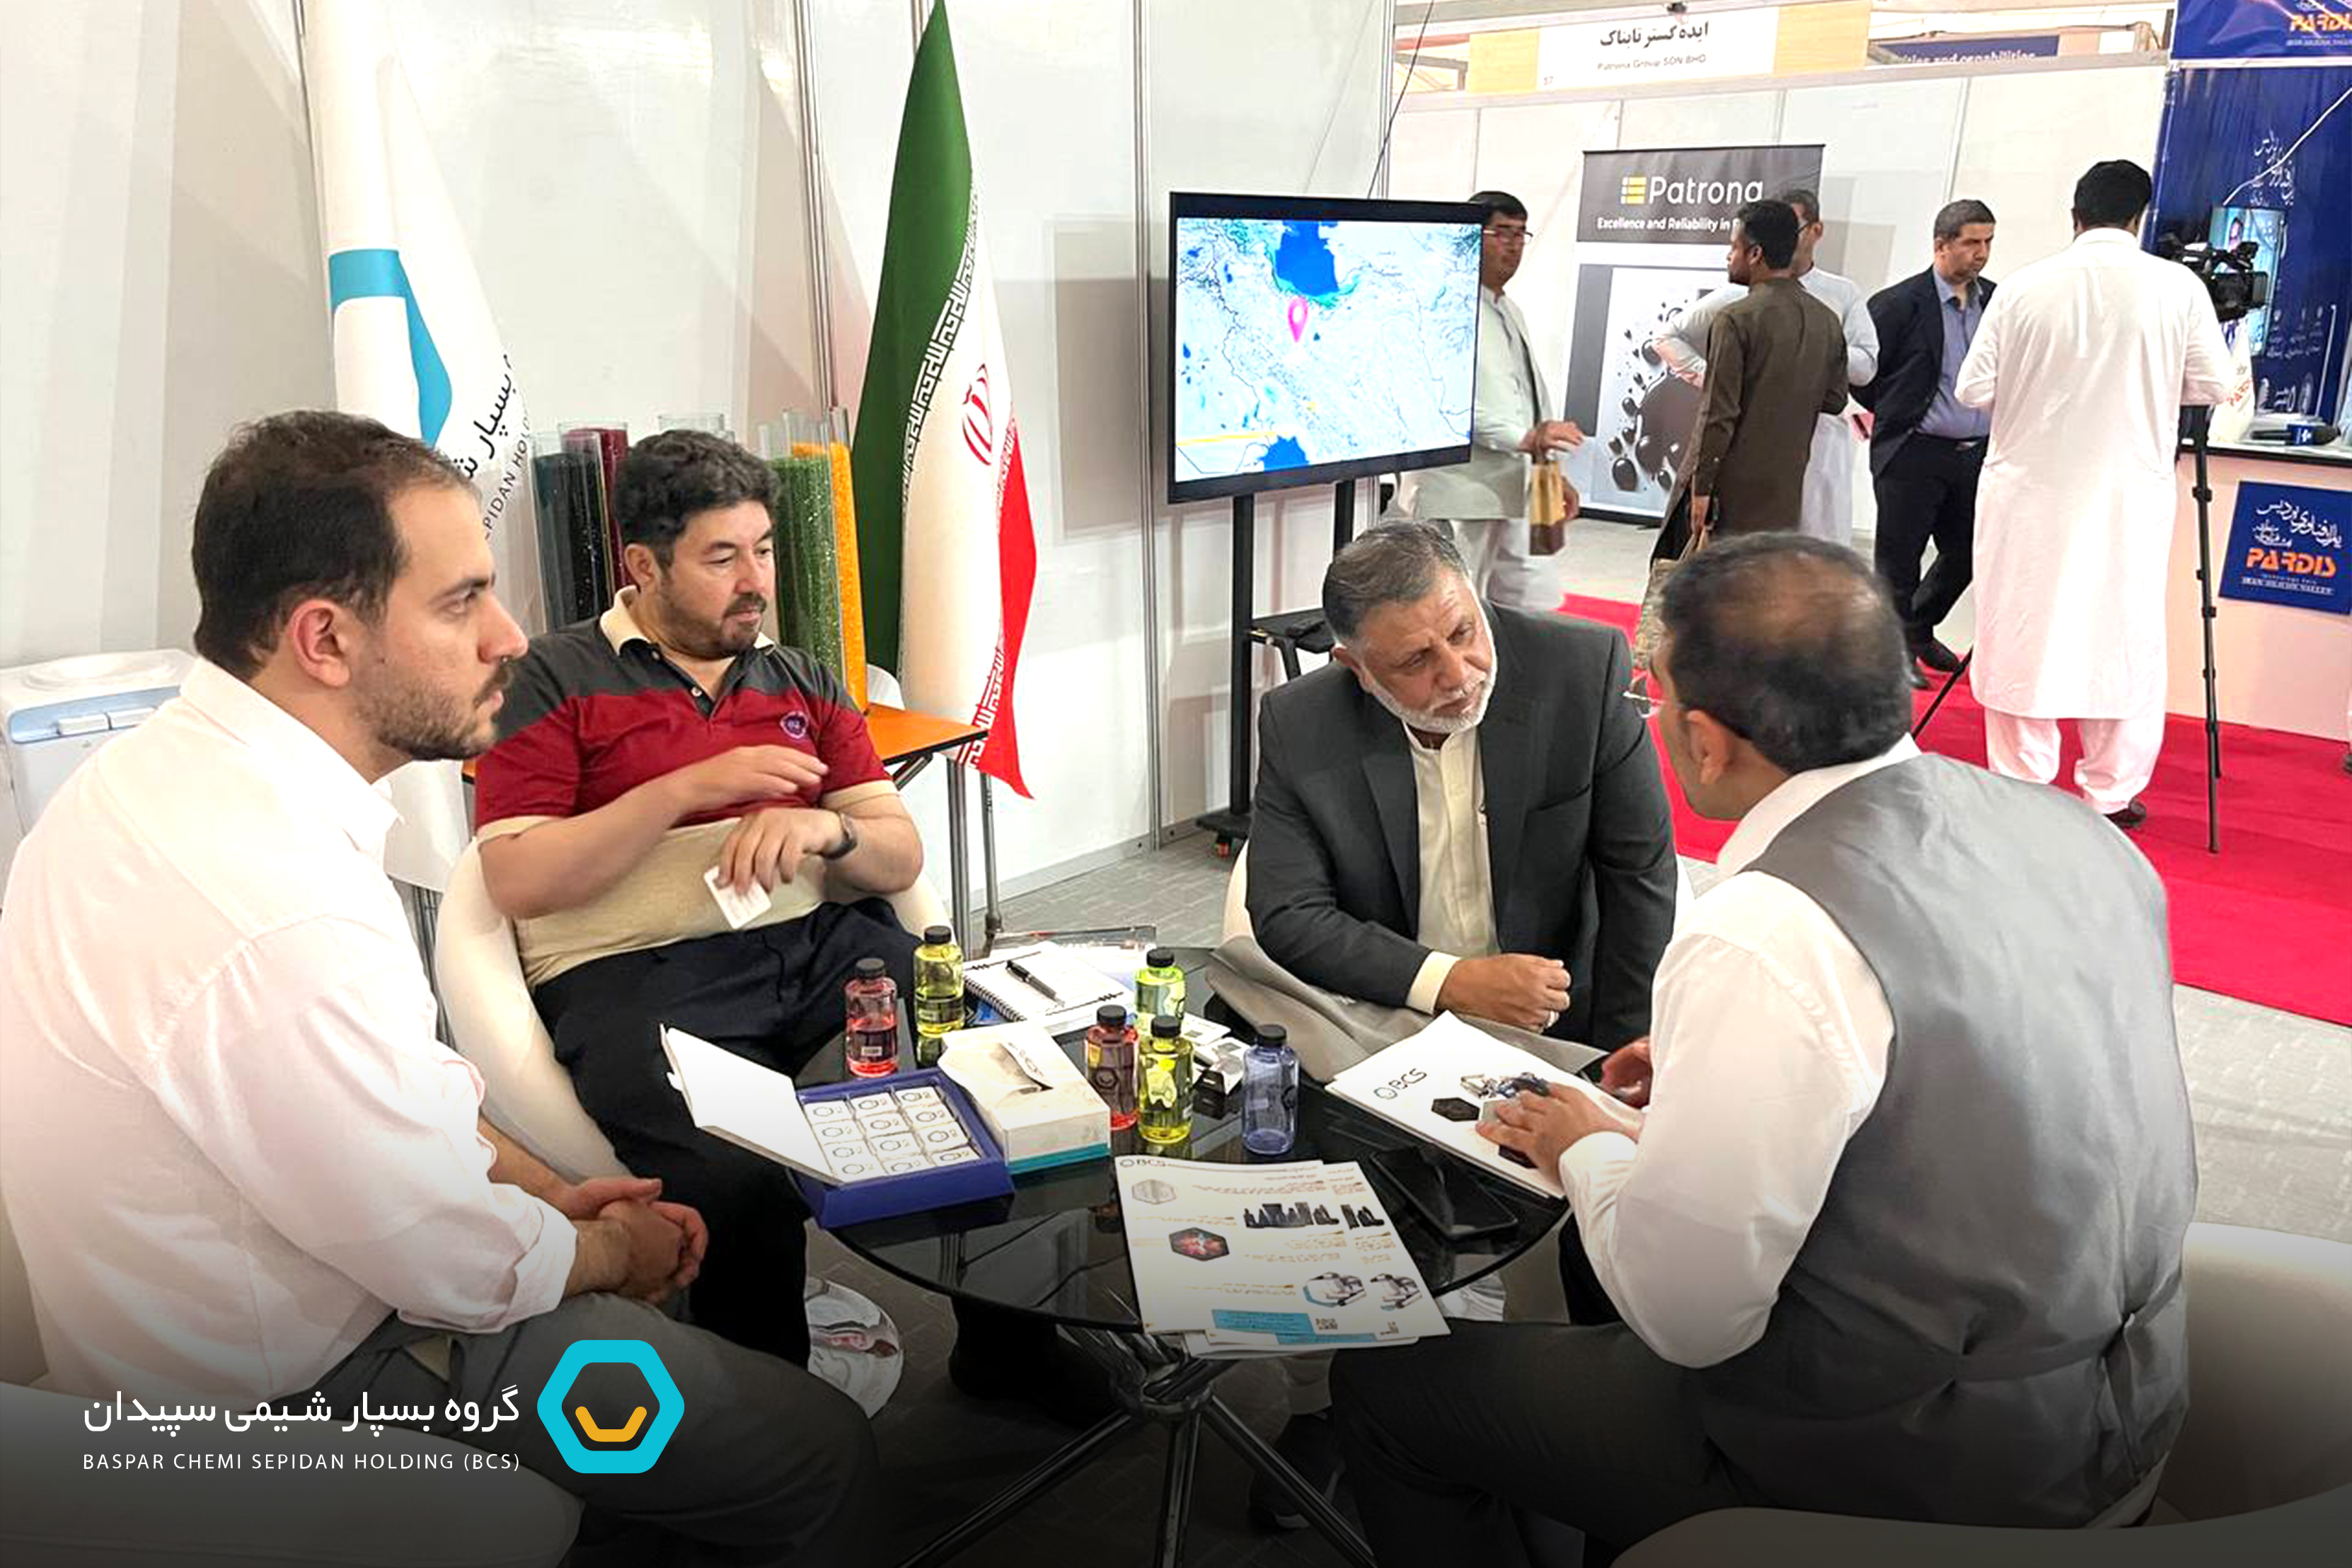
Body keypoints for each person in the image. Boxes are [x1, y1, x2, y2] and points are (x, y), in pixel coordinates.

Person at [0, 413, 879, 1564]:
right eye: (462, 601)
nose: (507, 636)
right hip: (320, 1377)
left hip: (230, 1307)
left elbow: (394, 1093)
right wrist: (616, 1248)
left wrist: (546, 1187)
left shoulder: (141, 777)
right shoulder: (279, 906)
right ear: (325, 638)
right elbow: (459, 1266)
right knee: (819, 1451)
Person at [1330, 534, 2196, 1561]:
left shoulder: (1766, 931)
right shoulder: (2081, 834)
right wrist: (1717, 1077)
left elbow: (1690, 1320)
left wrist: (1584, 1145)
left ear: (1705, 740)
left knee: (1386, 1389)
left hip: (1900, 1464)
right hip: (2122, 1409)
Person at [474, 429, 1103, 1419]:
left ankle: (1005, 1350)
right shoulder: (554, 677)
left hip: (817, 949)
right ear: (644, 566)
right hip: (636, 973)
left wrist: (826, 830)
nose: (755, 580)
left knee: (986, 1078)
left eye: (763, 549)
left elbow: (898, 855)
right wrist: (683, 789)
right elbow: (516, 878)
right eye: (722, 557)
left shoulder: (801, 677)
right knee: (735, 1183)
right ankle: (775, 1422)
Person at [1244, 519, 1678, 1524]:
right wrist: (1450, 981)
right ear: (1355, 668)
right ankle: (1327, 1401)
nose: (1458, 673)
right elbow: (1288, 914)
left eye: (1463, 631)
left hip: (1560, 1017)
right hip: (1383, 1010)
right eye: (1415, 661)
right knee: (1317, 1176)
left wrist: (1613, 1055)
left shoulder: (1579, 668)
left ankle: (1564, 1390)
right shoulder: (1302, 721)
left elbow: (1640, 877)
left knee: (1581, 1220)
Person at [1955, 159, 2235, 829]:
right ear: (2140, 218)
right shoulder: (2178, 288)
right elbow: (2214, 384)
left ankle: (2021, 784)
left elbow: (1973, 389)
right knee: (2122, 634)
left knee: (2023, 628)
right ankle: (2110, 792)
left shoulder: (2022, 288)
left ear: (2074, 215)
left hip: (2029, 495)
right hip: (2126, 496)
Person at [1651, 188, 1879, 546]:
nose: (1728, 256)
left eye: (1733, 247)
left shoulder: (1737, 317)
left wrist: (1702, 487)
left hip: (1735, 482)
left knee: (1720, 571)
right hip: (1789, 481)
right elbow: (1834, 399)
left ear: (1756, 253)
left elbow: (1719, 413)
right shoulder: (1825, 319)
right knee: (1771, 567)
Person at [1411, 190, 1585, 611]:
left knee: (1526, 603)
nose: (1514, 245)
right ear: (1470, 238)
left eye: (1520, 233)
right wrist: (1526, 439)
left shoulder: (1508, 309)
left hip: (1516, 481)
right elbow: (1446, 404)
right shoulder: (1443, 310)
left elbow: (1528, 397)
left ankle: (1518, 657)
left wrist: (1551, 470)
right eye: (1502, 232)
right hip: (1462, 488)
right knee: (1455, 603)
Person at [1856, 197, 1998, 688]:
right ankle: (1893, 651)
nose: (1982, 253)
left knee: (1968, 550)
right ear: (1941, 245)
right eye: (1972, 242)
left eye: (1988, 242)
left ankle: (1915, 628)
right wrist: (1901, 411)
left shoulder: (1997, 301)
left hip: (1975, 453)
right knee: (1899, 558)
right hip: (1913, 450)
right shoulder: (1898, 304)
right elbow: (1866, 377)